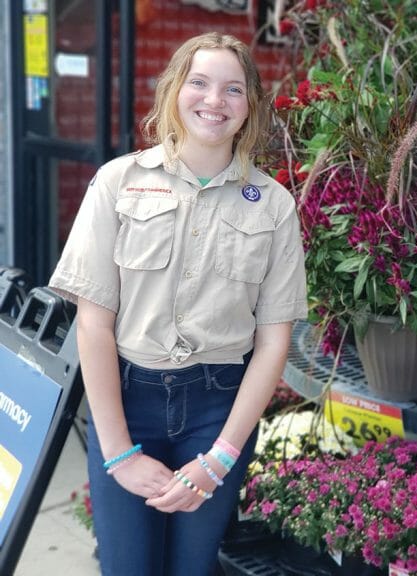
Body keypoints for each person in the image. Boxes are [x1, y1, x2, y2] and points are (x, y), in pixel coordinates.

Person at [49, 32, 307, 575]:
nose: (215, 100)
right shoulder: (117, 183)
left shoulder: (275, 206)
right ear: (173, 91)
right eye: (200, 83)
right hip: (128, 398)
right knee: (128, 567)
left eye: (233, 89)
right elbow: (93, 325)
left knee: (193, 567)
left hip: (217, 408)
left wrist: (221, 456)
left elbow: (273, 342)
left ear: (250, 106)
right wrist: (118, 450)